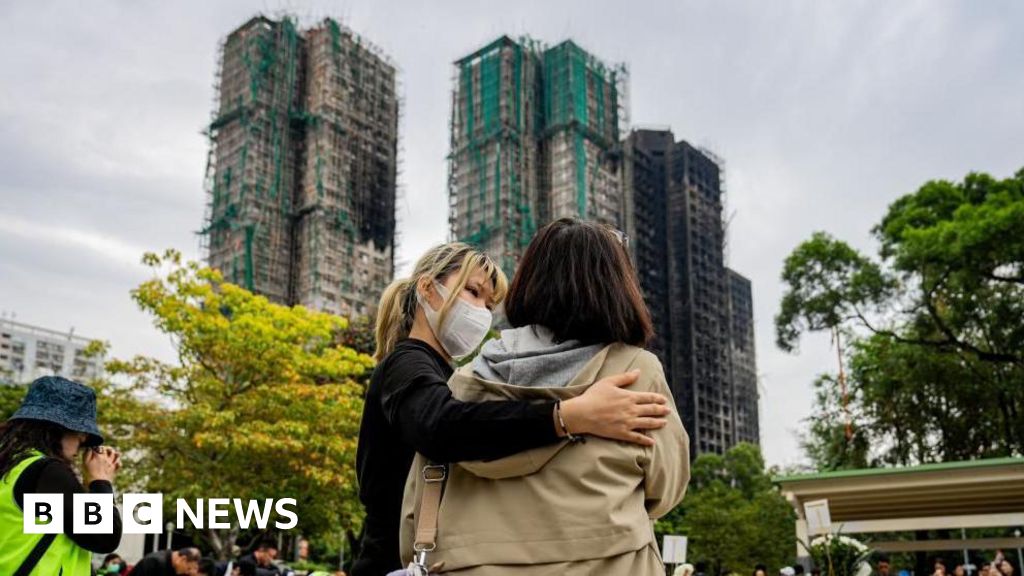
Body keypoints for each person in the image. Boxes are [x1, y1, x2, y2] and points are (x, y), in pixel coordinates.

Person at [352, 242, 674, 574]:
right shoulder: (408, 362)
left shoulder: (446, 373)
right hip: (393, 563)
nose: (482, 313)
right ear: (427, 289)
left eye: (489, 304)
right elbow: (442, 427)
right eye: (473, 292)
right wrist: (567, 416)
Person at [0, 375, 123, 576]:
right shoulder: (46, 471)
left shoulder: (14, 466)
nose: (83, 439)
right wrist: (100, 481)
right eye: (79, 430)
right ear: (55, 428)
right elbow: (104, 537)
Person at [129, 547, 201, 576]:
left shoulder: (173, 568)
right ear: (183, 559)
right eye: (188, 568)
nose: (187, 572)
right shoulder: (153, 562)